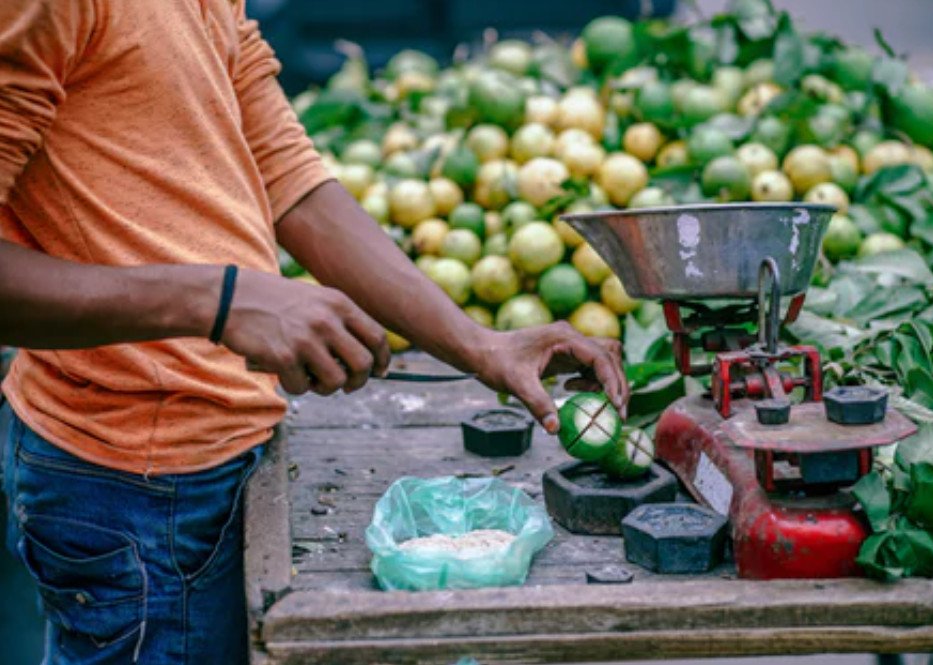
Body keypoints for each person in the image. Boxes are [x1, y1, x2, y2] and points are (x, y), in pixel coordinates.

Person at [0, 1, 628, 662]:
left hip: (221, 458)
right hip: (134, 485)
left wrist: (480, 345)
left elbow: (287, 175)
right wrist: (221, 299)